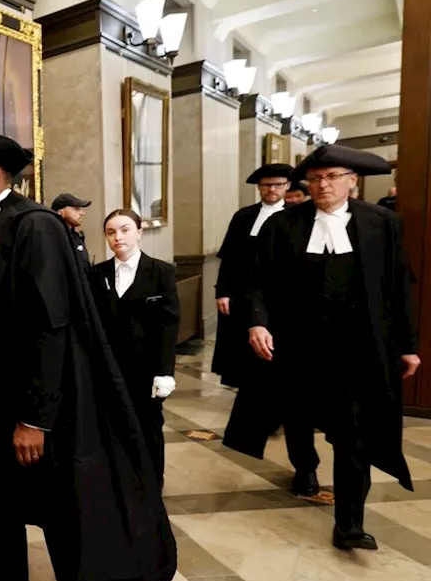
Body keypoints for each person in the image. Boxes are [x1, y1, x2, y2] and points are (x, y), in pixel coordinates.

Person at [0, 134, 175, 581]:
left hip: (41, 408)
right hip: (6, 401)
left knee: (77, 504)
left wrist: (34, 418)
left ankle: (138, 580)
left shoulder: (32, 226)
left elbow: (50, 325)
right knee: (4, 503)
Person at [227, 144, 419, 550]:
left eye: (332, 177)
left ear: (353, 181)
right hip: (299, 343)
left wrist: (407, 345)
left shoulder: (382, 222)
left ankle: (349, 521)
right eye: (315, 178)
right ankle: (305, 468)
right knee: (297, 414)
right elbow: (254, 281)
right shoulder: (284, 224)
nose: (322, 185)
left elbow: (399, 288)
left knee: (355, 433)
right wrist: (257, 323)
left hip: (360, 346)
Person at [213, 164, 320, 493]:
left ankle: (305, 463)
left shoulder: (301, 220)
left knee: (298, 394)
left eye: (277, 185)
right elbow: (231, 259)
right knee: (261, 373)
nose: (271, 190)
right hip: (255, 307)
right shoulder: (245, 217)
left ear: (288, 186)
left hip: (298, 316)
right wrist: (224, 291)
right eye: (265, 185)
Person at [93, 209, 180, 480]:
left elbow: (168, 325)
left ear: (139, 232)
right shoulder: (97, 274)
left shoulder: (160, 272)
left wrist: (165, 371)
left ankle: (152, 482)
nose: (118, 237)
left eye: (125, 229)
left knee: (148, 426)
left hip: (145, 368)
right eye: (111, 232)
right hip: (108, 369)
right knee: (111, 426)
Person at [51, 192, 92, 268]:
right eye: (76, 209)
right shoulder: (52, 238)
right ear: (60, 212)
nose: (82, 213)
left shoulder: (77, 237)